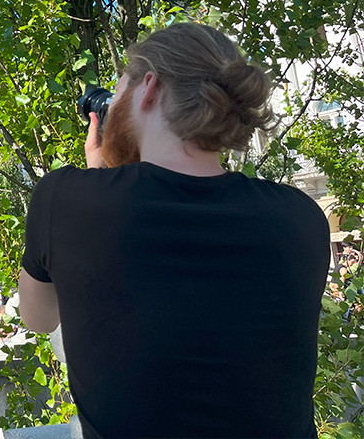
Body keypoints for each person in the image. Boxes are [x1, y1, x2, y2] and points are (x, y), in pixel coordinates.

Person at [19, 22, 331, 439]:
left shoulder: (66, 199)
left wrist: (99, 178)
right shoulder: (302, 216)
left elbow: (38, 318)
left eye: (119, 87)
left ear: (148, 87)